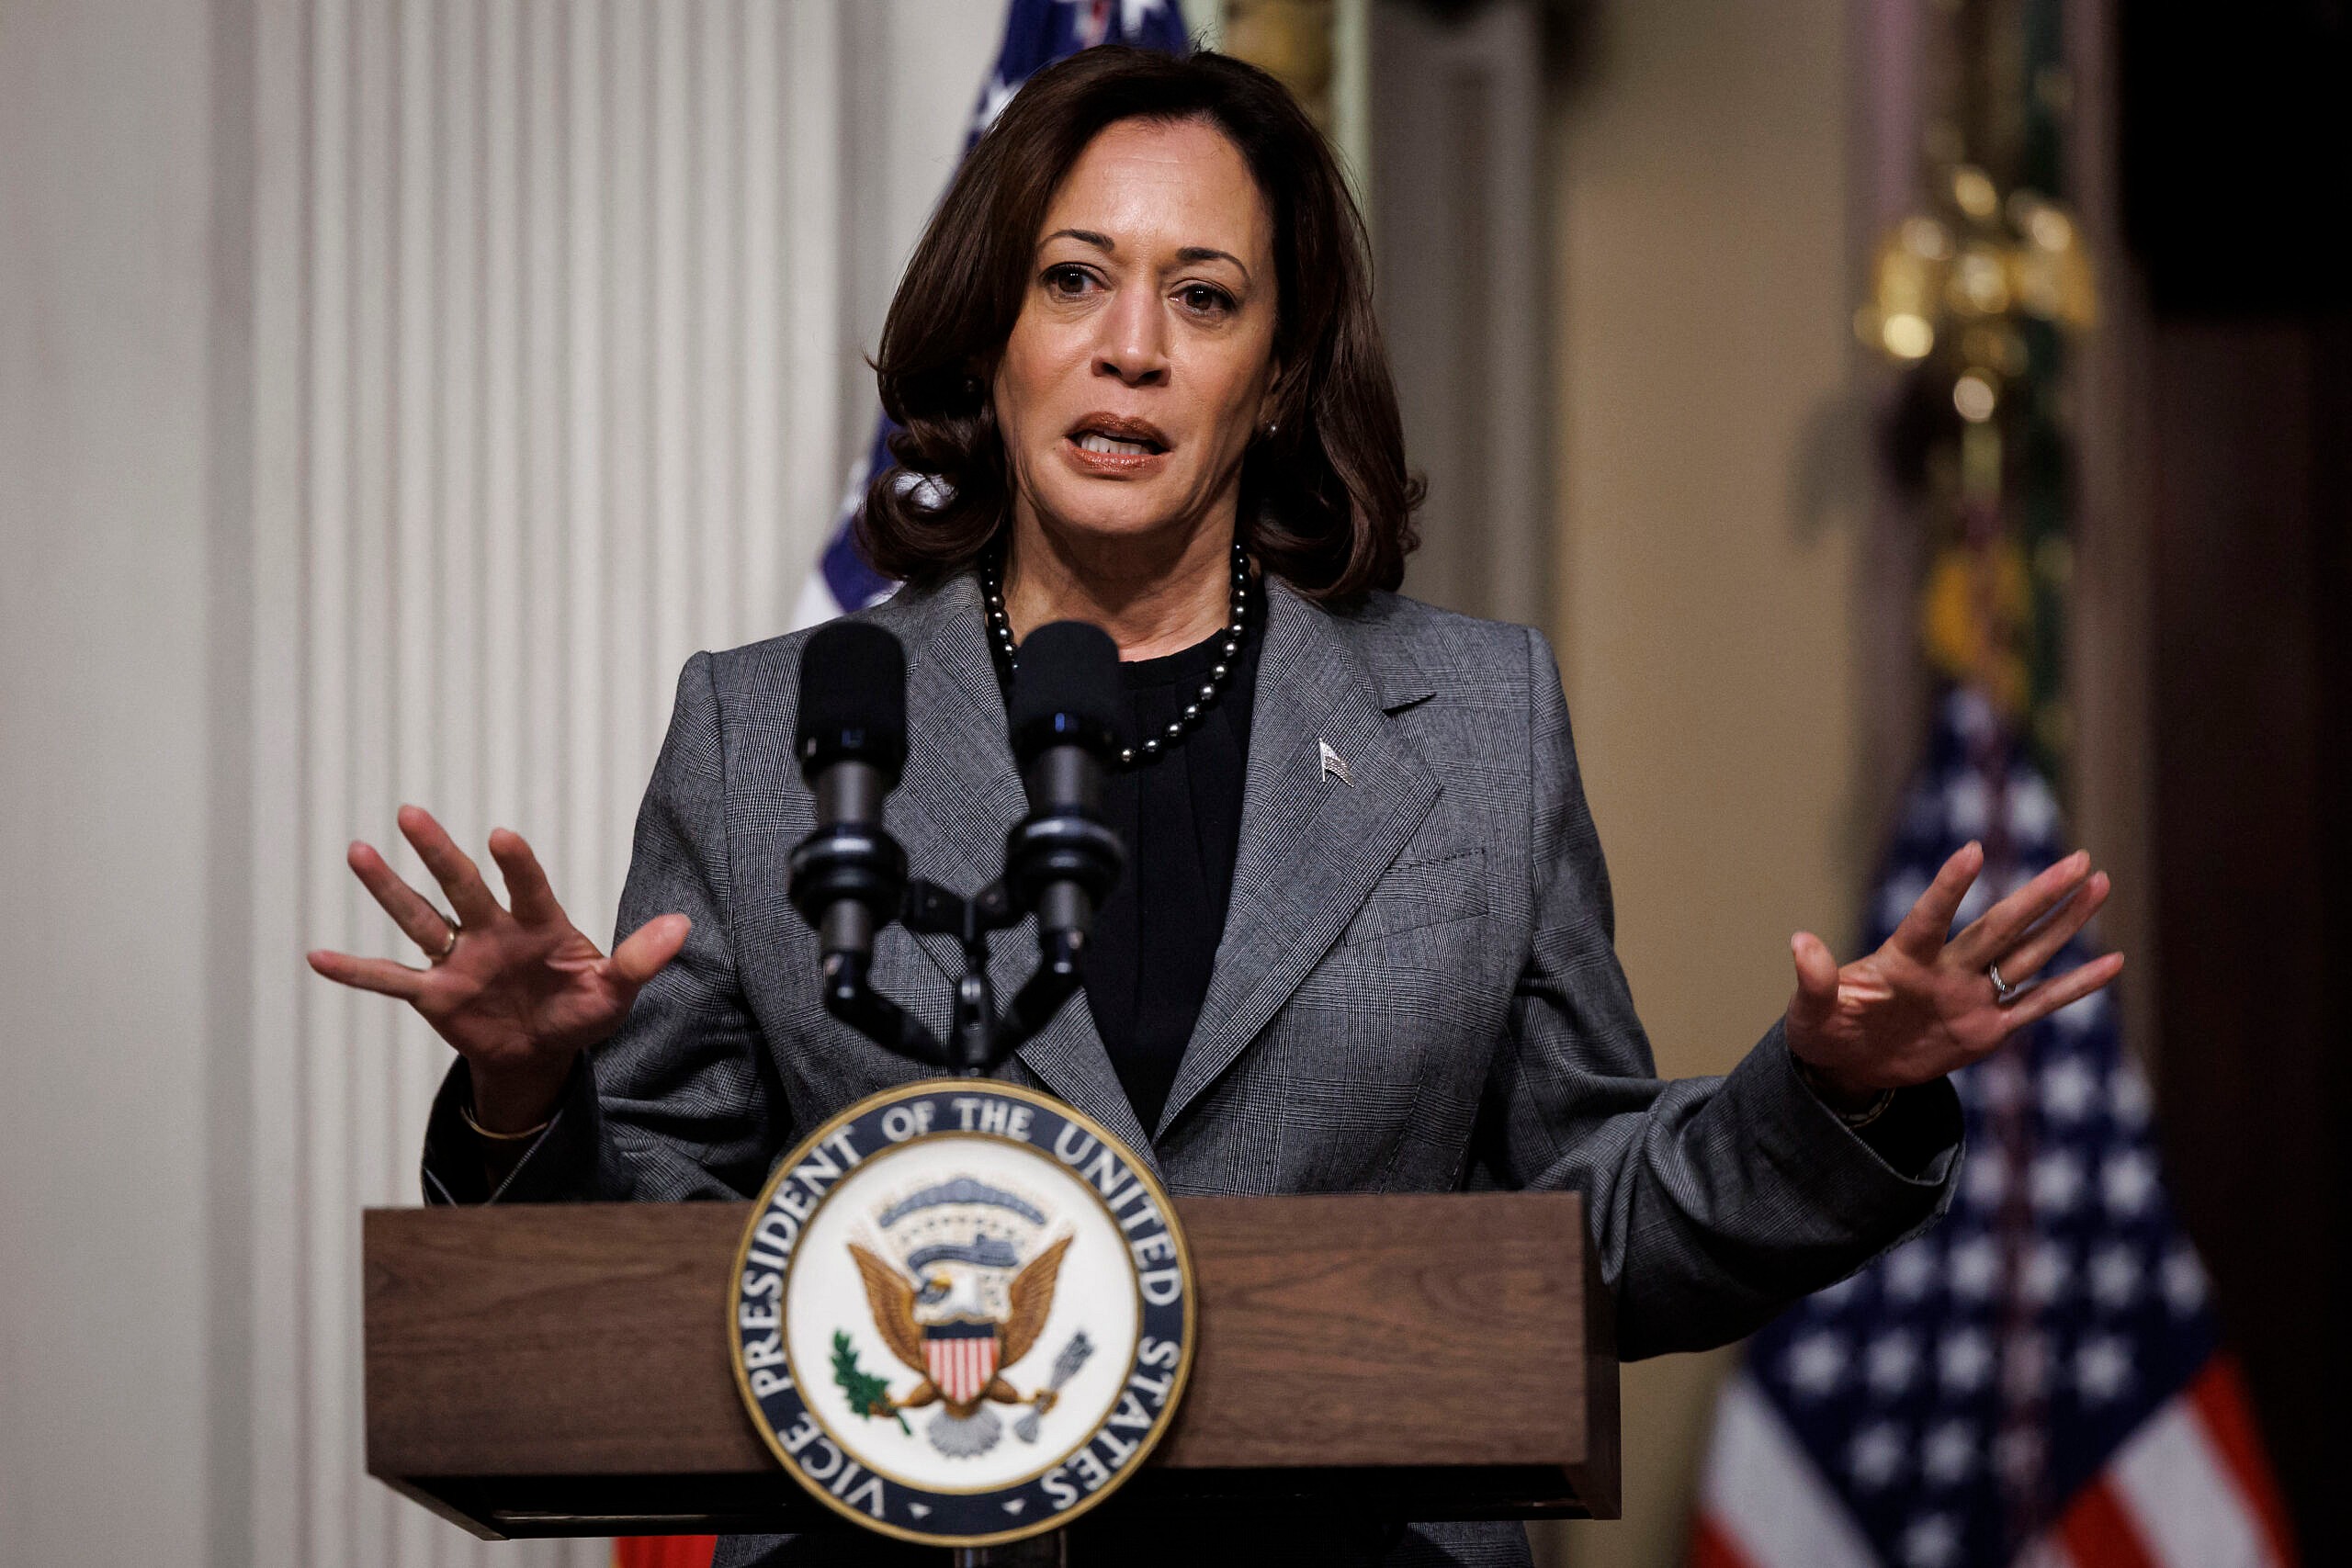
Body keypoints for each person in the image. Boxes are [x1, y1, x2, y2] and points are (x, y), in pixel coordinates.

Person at [307, 45, 2121, 1568]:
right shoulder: (774, 726)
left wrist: (1830, 1097)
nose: (1129, 347)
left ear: (1270, 381)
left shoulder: (1473, 722)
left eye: (1202, 297)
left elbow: (1582, 1222)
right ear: (991, 338)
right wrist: (524, 1087)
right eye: (1073, 278)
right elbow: (652, 1259)